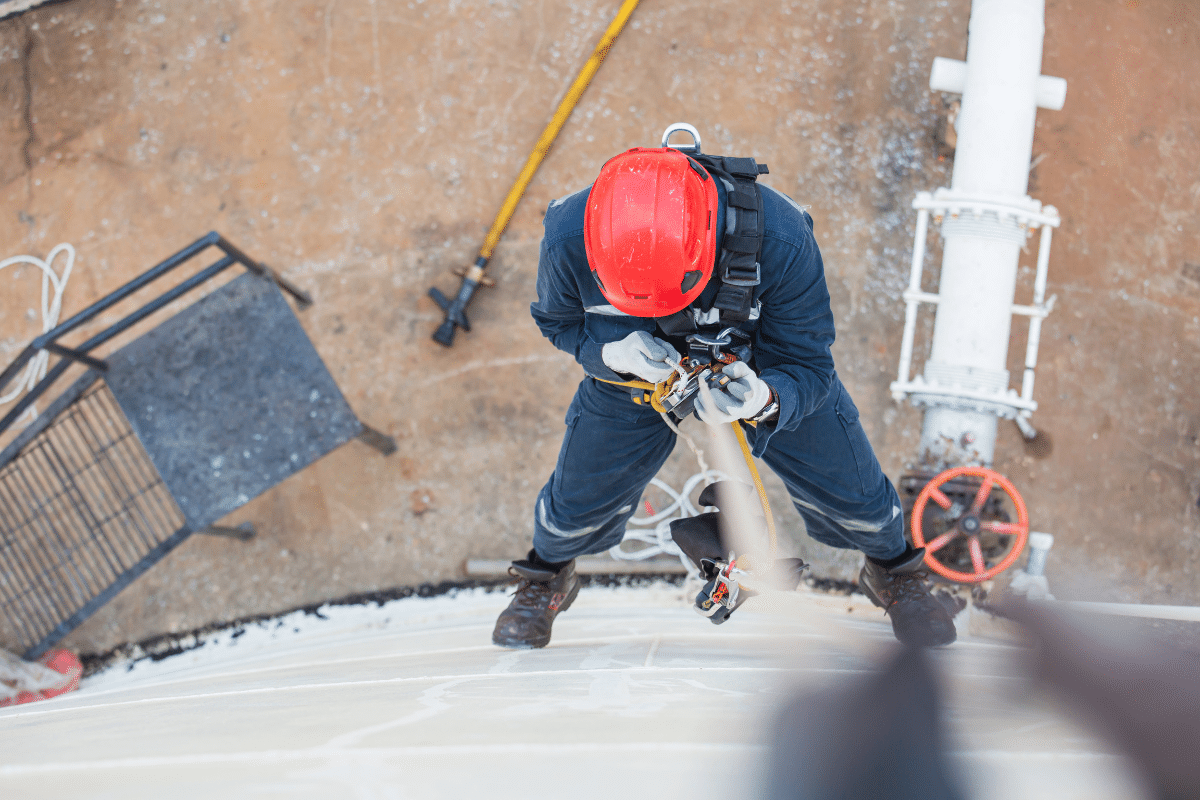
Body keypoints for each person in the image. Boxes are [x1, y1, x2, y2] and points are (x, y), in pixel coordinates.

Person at [492, 126, 956, 649]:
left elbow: (809, 362)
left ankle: (893, 571)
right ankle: (546, 577)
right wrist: (609, 354)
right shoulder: (567, 236)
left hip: (761, 367)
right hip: (633, 378)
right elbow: (559, 323)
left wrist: (767, 398)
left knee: (853, 491)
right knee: (578, 496)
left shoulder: (780, 238)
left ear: (708, 241)